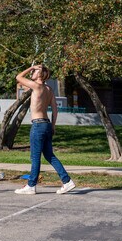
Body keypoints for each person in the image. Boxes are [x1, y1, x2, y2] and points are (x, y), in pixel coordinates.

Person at [14, 64, 75, 195]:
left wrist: (31, 68)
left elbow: (18, 77)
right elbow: (55, 109)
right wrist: (53, 125)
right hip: (47, 124)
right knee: (49, 155)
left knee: (35, 157)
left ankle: (31, 186)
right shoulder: (49, 90)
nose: (32, 73)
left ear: (40, 75)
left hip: (38, 125)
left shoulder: (36, 86)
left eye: (35, 72)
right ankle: (67, 181)